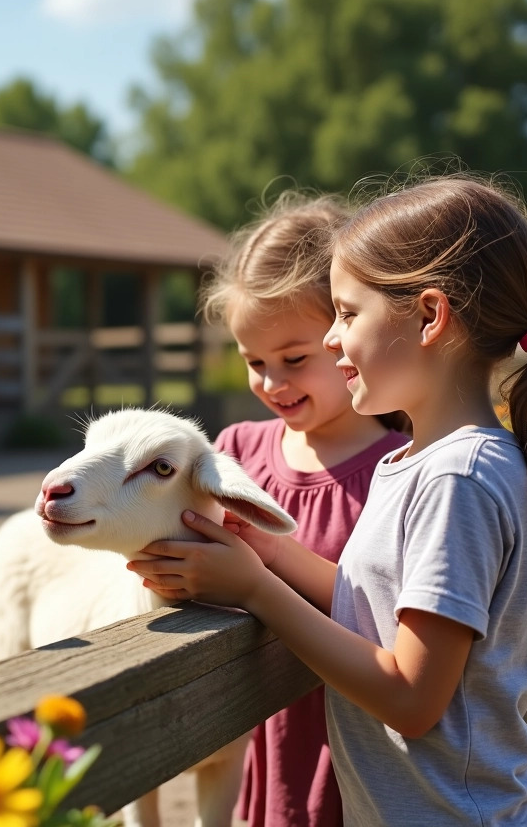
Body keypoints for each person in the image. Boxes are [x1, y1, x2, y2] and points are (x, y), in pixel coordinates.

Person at [130, 176, 527, 825]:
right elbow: (372, 606)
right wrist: (268, 551)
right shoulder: (413, 464)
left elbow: (413, 698)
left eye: (349, 315)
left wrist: (257, 591)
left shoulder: (457, 480)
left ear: (430, 317)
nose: (333, 339)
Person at [198, 190, 409, 827]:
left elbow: (393, 626)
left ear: (347, 336)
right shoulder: (234, 453)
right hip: (267, 740)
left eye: (294, 360)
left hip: (360, 748)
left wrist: (261, 572)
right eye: (254, 362)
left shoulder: (400, 468)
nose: (271, 383)